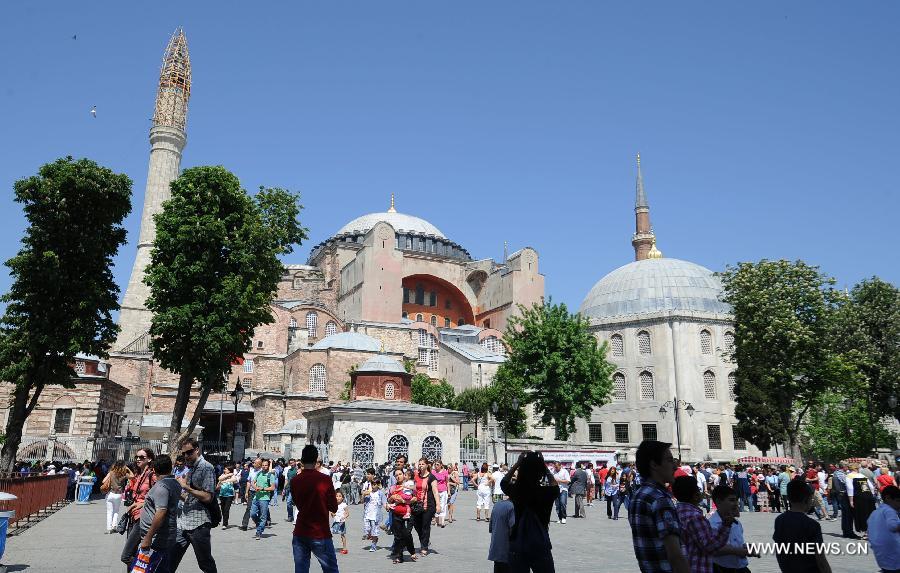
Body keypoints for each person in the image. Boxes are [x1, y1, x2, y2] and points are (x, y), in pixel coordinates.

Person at [628, 440, 688, 573]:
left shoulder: (639, 495)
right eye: (669, 460)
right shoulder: (660, 500)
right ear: (654, 464)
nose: (675, 467)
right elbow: (675, 556)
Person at [500, 451, 559, 572]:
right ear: (540, 473)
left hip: (518, 541)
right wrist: (543, 465)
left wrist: (517, 464)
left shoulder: (517, 492)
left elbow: (504, 482)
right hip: (540, 541)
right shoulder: (545, 492)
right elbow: (555, 487)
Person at [170, 438, 218, 573]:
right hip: (183, 522)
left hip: (199, 524)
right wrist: (177, 490)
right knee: (170, 559)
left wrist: (185, 486)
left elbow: (208, 497)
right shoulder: (190, 468)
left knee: (205, 563)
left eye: (189, 452)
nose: (186, 456)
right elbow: (188, 498)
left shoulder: (206, 467)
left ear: (197, 450)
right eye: (184, 453)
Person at [290, 444, 339, 573]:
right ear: (316, 459)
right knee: (331, 569)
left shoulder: (295, 480)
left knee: (301, 570)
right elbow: (333, 507)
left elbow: (297, 503)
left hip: (301, 531)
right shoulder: (325, 479)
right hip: (320, 532)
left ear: (302, 459)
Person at [672, 476, 734, 572]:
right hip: (697, 567)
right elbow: (710, 547)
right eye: (698, 489)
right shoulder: (695, 517)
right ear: (696, 495)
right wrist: (725, 526)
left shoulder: (675, 511)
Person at [772, 480, 832, 573]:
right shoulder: (812, 524)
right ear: (807, 499)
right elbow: (820, 558)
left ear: (788, 498)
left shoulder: (779, 520)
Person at [135, 455, 181, 573]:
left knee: (157, 568)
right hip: (164, 536)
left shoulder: (162, 486)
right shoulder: (174, 483)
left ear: (154, 470)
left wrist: (148, 538)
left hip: (158, 538)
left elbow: (161, 512)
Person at [121, 448, 157, 568]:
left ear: (149, 459)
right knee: (131, 552)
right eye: (136, 457)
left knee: (126, 556)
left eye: (141, 457)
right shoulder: (139, 474)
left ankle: (148, 569)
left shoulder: (152, 474)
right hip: (133, 515)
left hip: (143, 516)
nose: (137, 459)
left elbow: (159, 494)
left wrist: (143, 503)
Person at [709, 484, 757, 573]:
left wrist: (747, 548)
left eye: (736, 500)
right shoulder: (712, 525)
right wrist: (738, 551)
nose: (735, 504)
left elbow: (737, 543)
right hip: (722, 568)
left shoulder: (737, 523)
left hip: (740, 567)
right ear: (719, 502)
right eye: (731, 500)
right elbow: (714, 549)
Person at [868, 484, 900, 573]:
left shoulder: (874, 513)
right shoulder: (889, 510)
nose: (899, 504)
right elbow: (893, 526)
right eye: (897, 501)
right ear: (888, 498)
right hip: (895, 556)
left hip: (881, 556)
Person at [413, 457, 441, 556]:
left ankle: (424, 547)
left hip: (428, 505)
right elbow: (414, 488)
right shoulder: (416, 476)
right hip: (417, 505)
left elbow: (435, 491)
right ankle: (425, 541)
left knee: (425, 526)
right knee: (416, 524)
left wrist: (438, 505)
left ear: (426, 465)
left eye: (422, 464)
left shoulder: (431, 477)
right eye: (419, 464)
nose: (420, 466)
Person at [387, 474, 417, 563]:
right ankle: (399, 556)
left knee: (407, 534)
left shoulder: (409, 485)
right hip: (396, 514)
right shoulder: (393, 488)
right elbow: (388, 500)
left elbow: (415, 498)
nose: (398, 476)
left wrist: (404, 501)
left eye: (400, 474)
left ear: (404, 475)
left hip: (407, 514)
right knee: (398, 536)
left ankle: (412, 551)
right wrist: (391, 498)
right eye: (396, 475)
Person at [846, 462, 877, 539]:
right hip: (868, 496)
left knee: (862, 515)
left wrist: (851, 501)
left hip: (859, 497)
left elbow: (850, 488)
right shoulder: (862, 475)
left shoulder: (849, 476)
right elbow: (871, 486)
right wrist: (872, 495)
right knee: (870, 513)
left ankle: (866, 533)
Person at [103, 460, 133, 534]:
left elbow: (103, 481)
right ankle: (114, 526)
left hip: (110, 494)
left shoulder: (111, 472)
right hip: (119, 494)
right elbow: (132, 476)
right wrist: (128, 469)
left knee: (109, 512)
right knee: (116, 511)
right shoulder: (124, 474)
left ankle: (109, 528)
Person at [250, 459, 276, 539]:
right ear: (261, 466)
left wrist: (263, 489)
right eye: (263, 465)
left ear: (268, 466)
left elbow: (272, 488)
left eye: (266, 465)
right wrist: (255, 487)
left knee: (263, 516)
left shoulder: (270, 475)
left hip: (264, 498)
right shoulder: (259, 474)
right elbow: (252, 482)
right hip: (256, 497)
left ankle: (259, 532)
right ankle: (260, 524)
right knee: (252, 514)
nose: (264, 467)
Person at [488, 495, 515, 572]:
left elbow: (491, 528)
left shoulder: (497, 505)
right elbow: (512, 529)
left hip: (496, 549)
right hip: (508, 551)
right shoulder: (512, 507)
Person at [362, 476, 383, 552]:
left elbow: (384, 501)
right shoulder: (369, 493)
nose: (373, 486)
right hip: (368, 513)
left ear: (378, 485)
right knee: (367, 528)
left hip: (375, 515)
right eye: (372, 484)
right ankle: (368, 534)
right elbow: (362, 501)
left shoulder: (380, 493)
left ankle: (373, 545)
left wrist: (387, 506)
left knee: (374, 530)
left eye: (374, 484)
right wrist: (364, 494)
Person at [216, 463, 238, 530]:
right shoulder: (222, 475)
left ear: (229, 470)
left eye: (225, 469)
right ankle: (225, 521)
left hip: (229, 495)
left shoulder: (232, 476)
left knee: (226, 509)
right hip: (222, 494)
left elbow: (234, 480)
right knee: (222, 509)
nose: (224, 470)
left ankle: (225, 524)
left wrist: (226, 480)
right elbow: (219, 479)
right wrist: (226, 476)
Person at [331, 490, 349, 555]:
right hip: (336, 522)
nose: (338, 497)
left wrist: (344, 517)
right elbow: (332, 514)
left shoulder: (344, 505)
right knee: (330, 534)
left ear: (342, 498)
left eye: (339, 496)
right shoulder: (334, 505)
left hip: (341, 523)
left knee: (342, 535)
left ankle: (344, 548)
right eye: (336, 496)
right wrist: (333, 514)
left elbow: (347, 513)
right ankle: (329, 547)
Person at [432, 460, 450, 527]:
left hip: (443, 491)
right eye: (435, 465)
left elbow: (447, 482)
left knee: (443, 505)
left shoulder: (445, 472)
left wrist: (449, 491)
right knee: (436, 505)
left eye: (437, 464)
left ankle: (442, 522)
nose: (436, 466)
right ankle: (437, 521)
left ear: (441, 465)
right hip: (435, 491)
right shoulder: (433, 472)